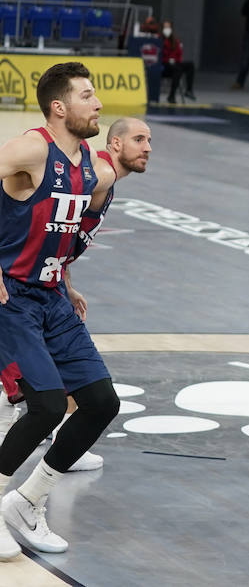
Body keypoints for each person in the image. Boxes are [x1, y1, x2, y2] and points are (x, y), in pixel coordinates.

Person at [0, 62, 120, 560]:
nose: (97, 105)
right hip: (11, 297)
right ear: (59, 107)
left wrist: (67, 280)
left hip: (51, 296)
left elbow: (58, 231)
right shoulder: (32, 147)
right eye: (87, 96)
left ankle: (27, 502)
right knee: (47, 405)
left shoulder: (89, 166)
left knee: (101, 402)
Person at [0, 118, 153, 472]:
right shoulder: (95, 172)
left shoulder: (101, 179)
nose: (147, 148)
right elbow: (38, 222)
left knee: (86, 394)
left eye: (149, 140)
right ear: (114, 144)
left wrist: (64, 278)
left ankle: (52, 443)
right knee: (47, 397)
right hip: (18, 291)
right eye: (139, 139)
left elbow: (59, 237)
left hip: (45, 288)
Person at [158, 20, 195, 104]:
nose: (167, 29)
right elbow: (159, 54)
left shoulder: (175, 40)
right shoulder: (159, 39)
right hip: (164, 65)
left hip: (175, 64)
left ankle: (189, 90)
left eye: (168, 27)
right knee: (177, 70)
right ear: (162, 28)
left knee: (190, 65)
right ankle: (171, 96)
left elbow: (179, 54)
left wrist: (175, 61)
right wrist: (169, 60)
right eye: (165, 27)